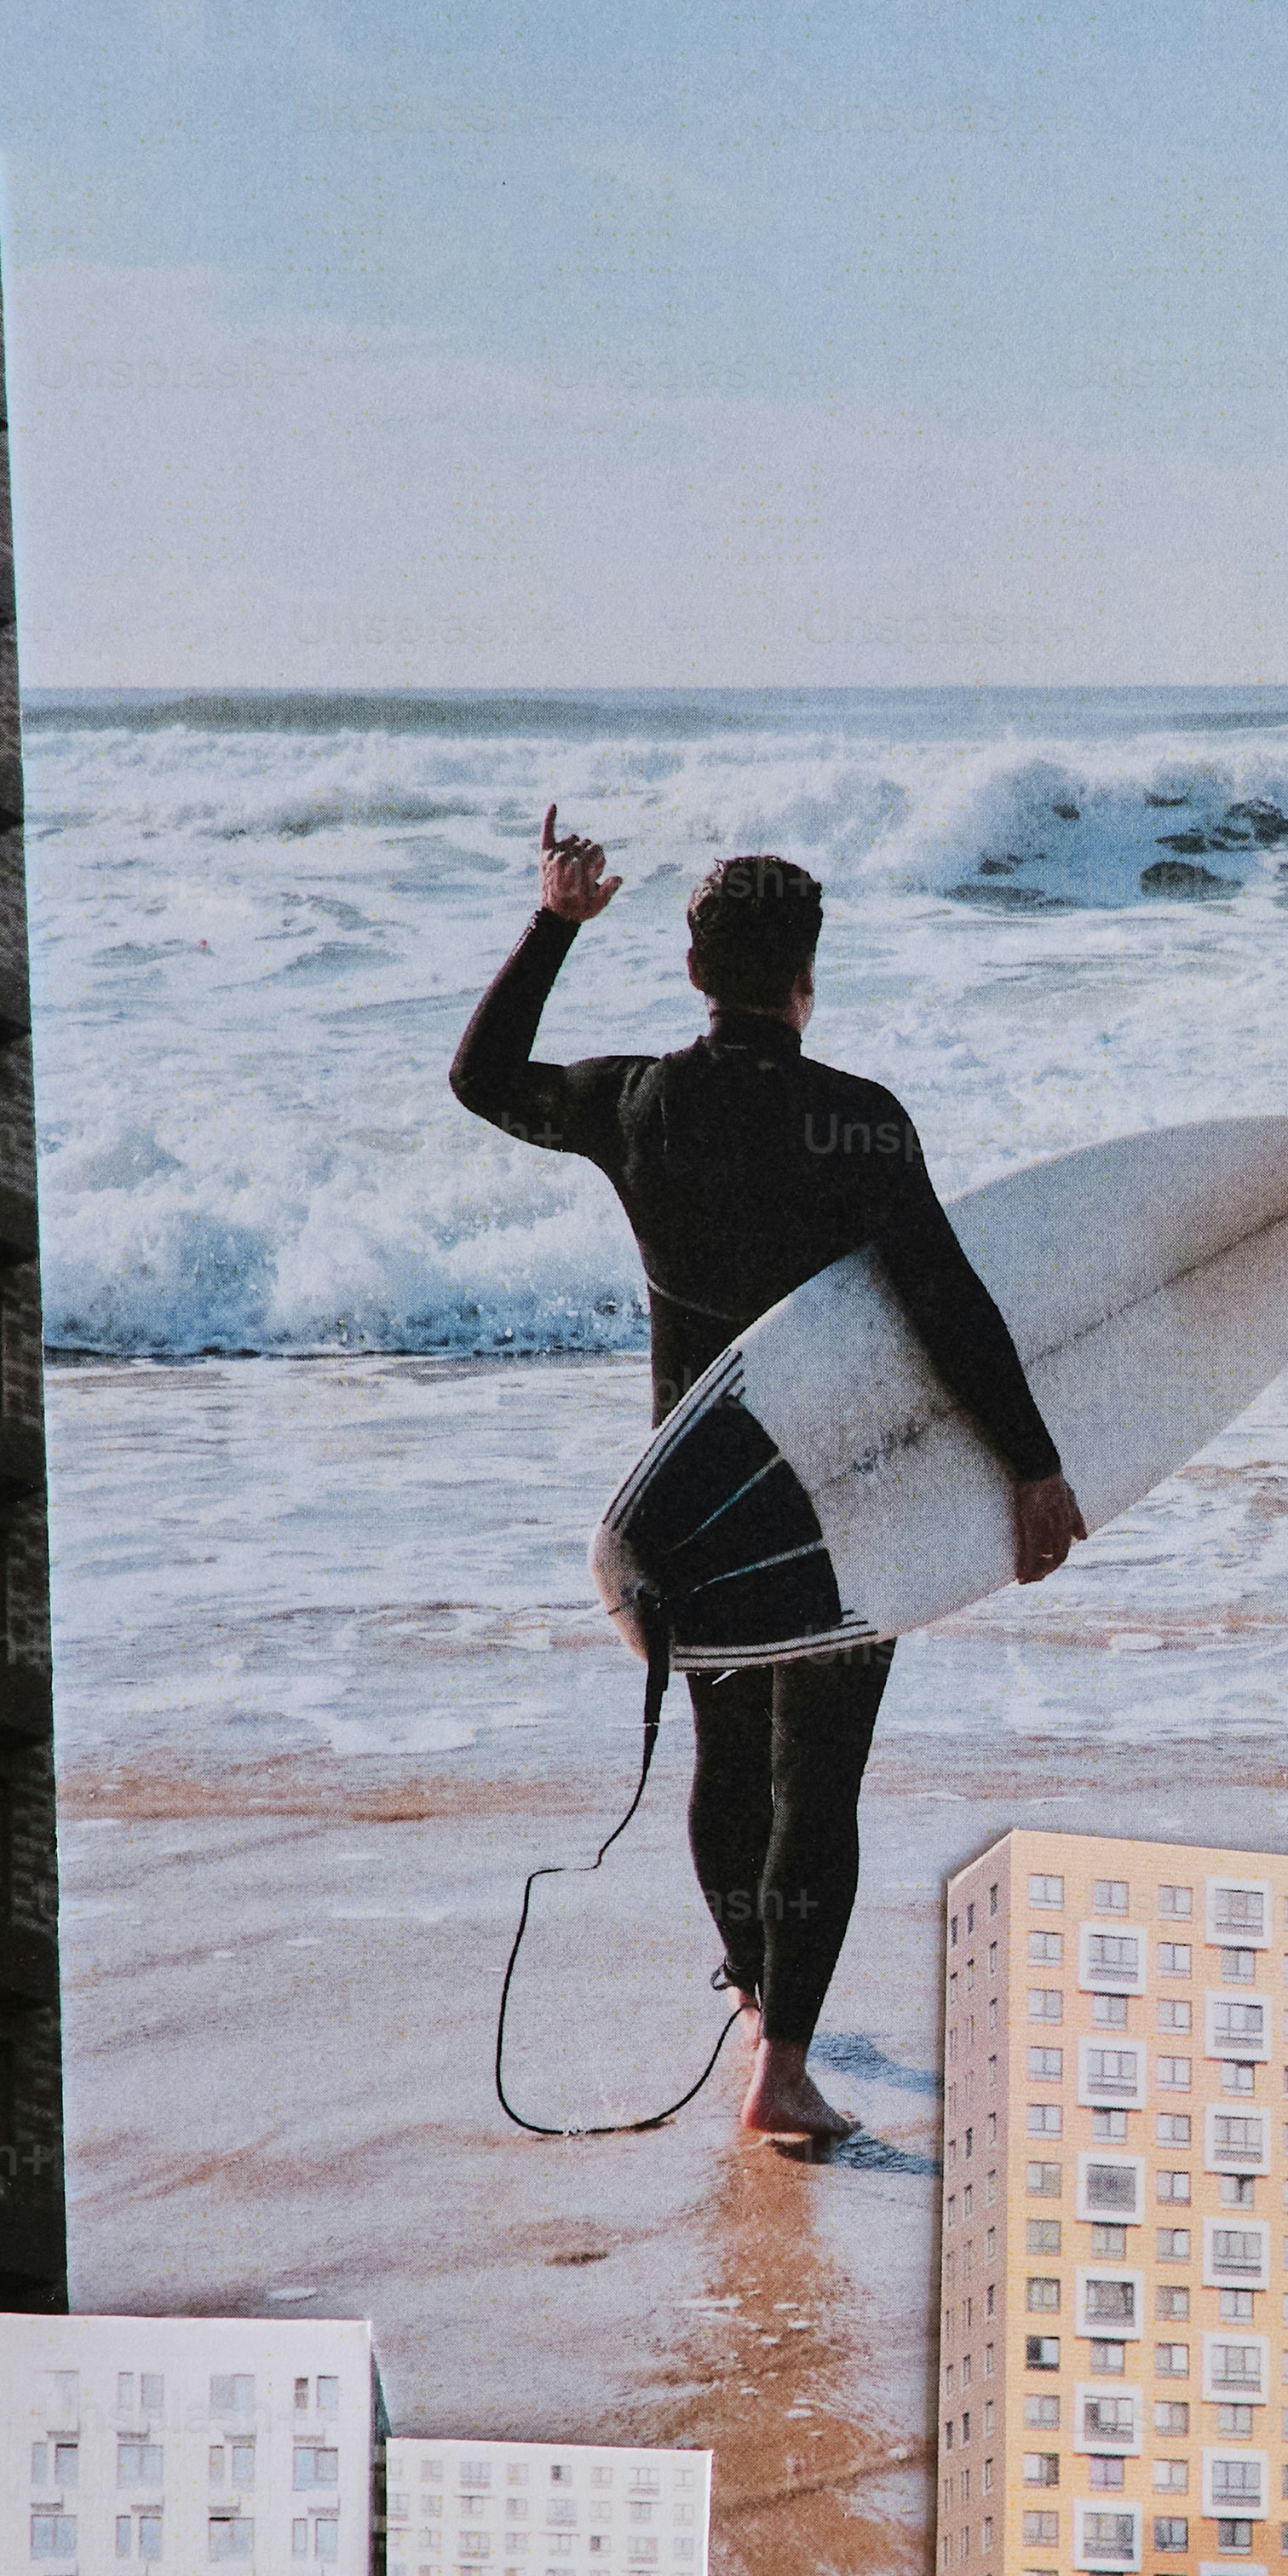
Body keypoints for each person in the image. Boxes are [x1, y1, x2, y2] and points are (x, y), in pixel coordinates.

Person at [451, 819, 1085, 2147]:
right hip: (839, 1503)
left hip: (696, 1504)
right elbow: (946, 1306)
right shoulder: (859, 1124)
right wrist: (1032, 1467)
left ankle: (752, 1998)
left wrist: (557, 922)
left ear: (692, 970)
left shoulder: (639, 1105)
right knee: (823, 1783)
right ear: (809, 977)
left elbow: (483, 1079)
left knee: (726, 1760)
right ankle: (782, 2062)